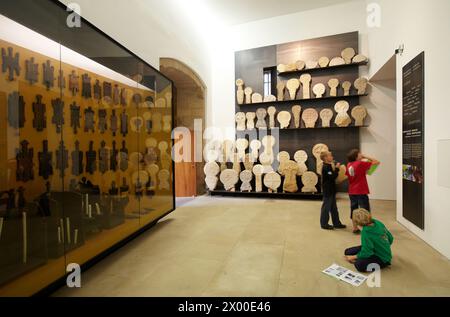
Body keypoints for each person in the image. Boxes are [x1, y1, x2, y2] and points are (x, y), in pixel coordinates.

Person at [346, 149, 380, 234]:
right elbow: (376, 161)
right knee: (365, 210)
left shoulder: (349, 164)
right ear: (356, 156)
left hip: (352, 190)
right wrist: (365, 156)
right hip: (360, 190)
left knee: (354, 209)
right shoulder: (360, 163)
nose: (361, 154)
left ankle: (355, 228)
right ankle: (368, 229)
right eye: (359, 154)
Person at [320, 151, 346, 230]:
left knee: (334, 208)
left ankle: (336, 223)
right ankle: (324, 224)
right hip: (328, 191)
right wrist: (337, 168)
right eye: (330, 156)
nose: (332, 157)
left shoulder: (329, 166)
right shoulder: (325, 167)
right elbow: (332, 177)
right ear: (325, 158)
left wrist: (335, 168)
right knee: (326, 208)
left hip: (331, 190)